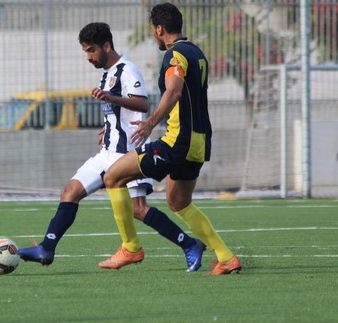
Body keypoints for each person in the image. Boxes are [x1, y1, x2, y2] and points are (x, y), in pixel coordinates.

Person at [18, 22, 206, 272]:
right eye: (85, 51)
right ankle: (47, 248)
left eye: (92, 50)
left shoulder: (127, 70)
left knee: (139, 209)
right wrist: (109, 124)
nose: (88, 57)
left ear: (107, 46)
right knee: (70, 192)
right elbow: (120, 109)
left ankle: (189, 244)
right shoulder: (107, 72)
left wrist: (110, 99)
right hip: (107, 152)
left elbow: (141, 104)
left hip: (128, 152)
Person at [98, 3, 242, 275]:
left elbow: (174, 92)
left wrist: (150, 123)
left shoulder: (175, 56)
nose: (153, 35)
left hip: (177, 142)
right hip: (199, 143)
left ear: (159, 29)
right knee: (179, 203)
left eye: (153, 30)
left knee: (113, 177)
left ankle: (130, 247)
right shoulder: (197, 52)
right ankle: (225, 257)